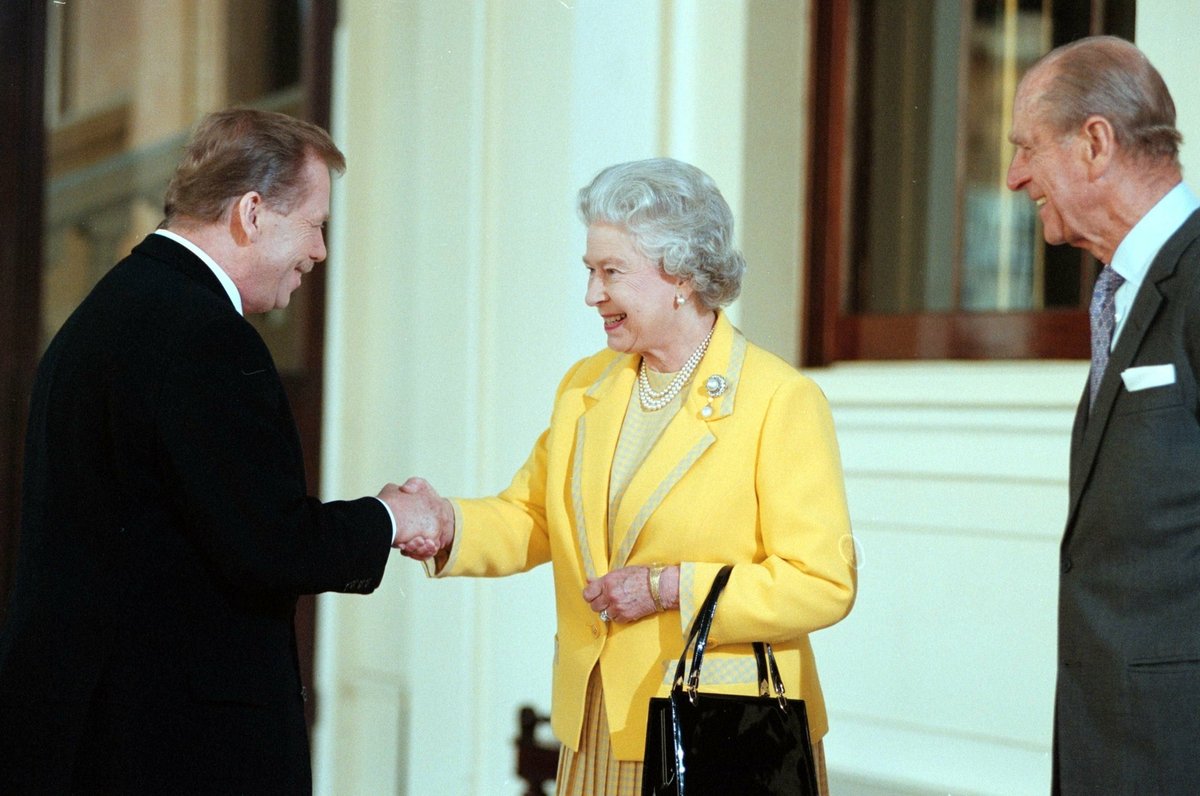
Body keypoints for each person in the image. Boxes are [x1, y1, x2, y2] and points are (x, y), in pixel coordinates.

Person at [395, 158, 857, 795]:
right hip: (596, 731)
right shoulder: (588, 386)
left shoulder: (779, 401)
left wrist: (670, 587)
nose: (592, 295)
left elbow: (822, 584)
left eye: (611, 272)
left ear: (683, 277)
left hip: (718, 738)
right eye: (590, 271)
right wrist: (446, 524)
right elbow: (532, 516)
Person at [0, 108, 410, 793]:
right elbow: (268, 543)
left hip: (84, 735)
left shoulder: (106, 312)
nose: (319, 251)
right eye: (314, 224)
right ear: (252, 213)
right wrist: (391, 519)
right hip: (168, 746)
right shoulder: (204, 336)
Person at [1006, 36, 1200, 792]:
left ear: (1094, 143)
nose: (1016, 175)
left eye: (1027, 148)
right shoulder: (1124, 288)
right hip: (1110, 746)